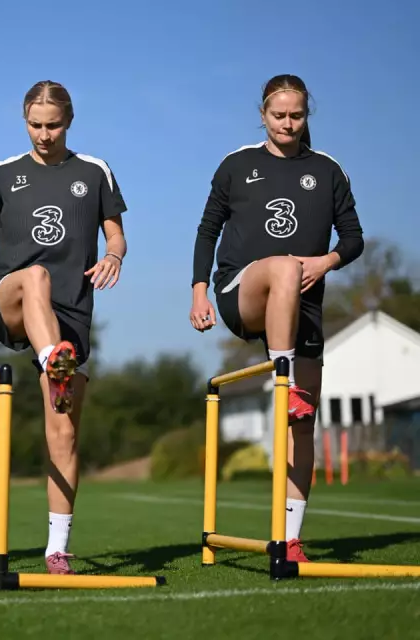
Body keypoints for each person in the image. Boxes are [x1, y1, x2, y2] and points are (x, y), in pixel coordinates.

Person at [0, 80, 128, 575]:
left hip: (68, 310)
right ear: (24, 120)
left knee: (64, 437)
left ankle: (56, 549)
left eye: (52, 125)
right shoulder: (4, 173)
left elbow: (116, 234)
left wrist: (113, 254)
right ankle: (54, 361)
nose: (44, 134)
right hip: (7, 296)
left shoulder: (94, 172)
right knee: (34, 275)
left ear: (68, 122)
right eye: (35, 124)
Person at [190, 74, 364, 562]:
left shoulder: (328, 171)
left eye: (297, 115)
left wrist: (326, 262)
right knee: (284, 265)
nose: (288, 123)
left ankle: (289, 540)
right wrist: (199, 290)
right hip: (240, 292)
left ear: (308, 115)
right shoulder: (236, 165)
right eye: (279, 115)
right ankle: (282, 382)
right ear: (263, 115)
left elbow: (353, 239)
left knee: (302, 429)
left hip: (303, 304)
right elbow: (207, 231)